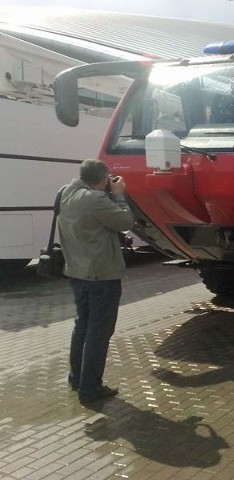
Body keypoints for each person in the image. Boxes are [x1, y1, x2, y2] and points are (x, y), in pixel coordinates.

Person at [58, 159, 134, 404]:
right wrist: (119, 195)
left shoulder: (66, 193)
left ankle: (76, 377)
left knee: (82, 326)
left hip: (77, 273)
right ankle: (90, 388)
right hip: (101, 275)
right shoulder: (95, 199)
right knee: (98, 333)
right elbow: (124, 222)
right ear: (102, 179)